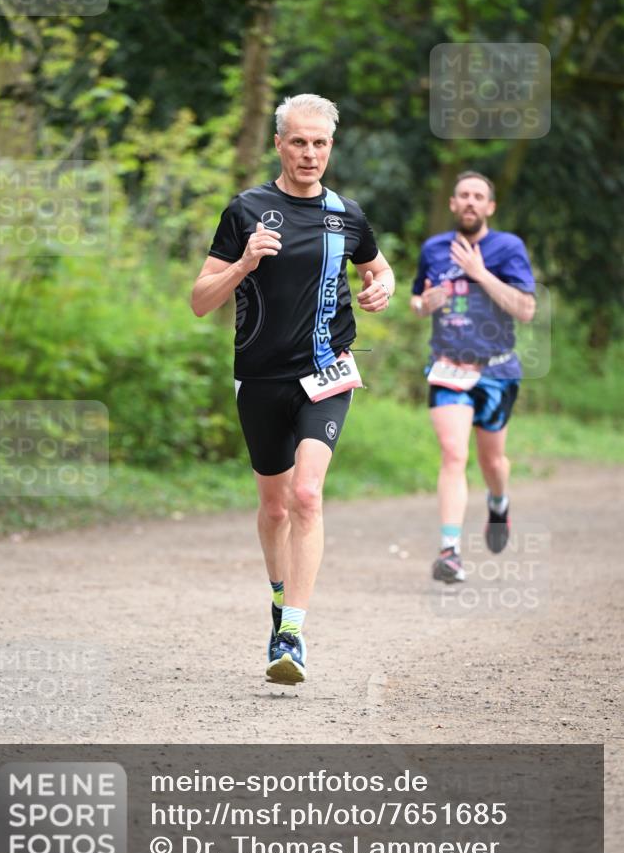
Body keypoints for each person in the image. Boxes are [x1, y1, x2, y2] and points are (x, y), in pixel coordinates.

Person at [191, 94, 394, 683]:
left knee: (307, 496)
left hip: (328, 373)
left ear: (331, 147)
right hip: (259, 378)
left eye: (320, 143)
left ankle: (294, 635)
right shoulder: (246, 210)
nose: (310, 154)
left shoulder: (347, 215)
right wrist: (243, 264)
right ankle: (279, 600)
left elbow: (376, 267)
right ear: (279, 144)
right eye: (299, 142)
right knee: (274, 505)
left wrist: (381, 285)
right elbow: (201, 302)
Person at [410, 171, 536, 584]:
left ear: (489, 207)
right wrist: (425, 303)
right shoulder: (433, 248)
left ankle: (498, 503)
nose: (470, 202)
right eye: (463, 195)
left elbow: (525, 309)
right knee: (453, 454)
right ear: (452, 203)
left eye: (478, 196)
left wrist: (480, 273)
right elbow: (417, 300)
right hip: (448, 366)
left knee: (492, 461)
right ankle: (450, 551)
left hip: (497, 369)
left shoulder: (508, 248)